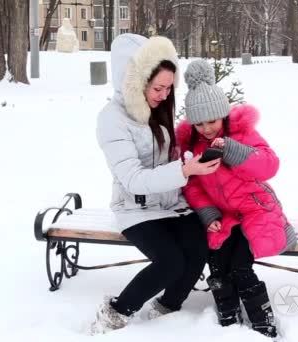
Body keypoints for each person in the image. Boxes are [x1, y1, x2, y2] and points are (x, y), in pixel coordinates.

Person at [90, 35, 220, 335]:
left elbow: (167, 159)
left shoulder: (160, 111)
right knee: (171, 263)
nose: (163, 95)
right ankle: (115, 314)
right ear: (134, 83)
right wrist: (184, 169)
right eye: (157, 88)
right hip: (136, 210)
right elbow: (133, 178)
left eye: (168, 88)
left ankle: (168, 310)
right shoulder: (111, 119)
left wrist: (191, 159)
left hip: (172, 204)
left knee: (198, 251)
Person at [176, 60, 297, 338]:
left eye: (212, 121)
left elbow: (270, 165)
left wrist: (234, 151)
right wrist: (208, 214)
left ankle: (264, 326)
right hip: (225, 217)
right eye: (199, 123)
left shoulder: (242, 134)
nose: (207, 128)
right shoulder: (193, 148)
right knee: (217, 268)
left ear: (223, 116)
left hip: (257, 210)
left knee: (240, 269)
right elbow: (193, 188)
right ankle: (228, 322)